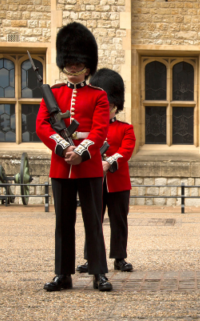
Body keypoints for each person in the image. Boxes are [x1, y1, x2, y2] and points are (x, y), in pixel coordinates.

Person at [36, 22, 112, 292]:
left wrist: (81, 151)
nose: (72, 69)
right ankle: (63, 273)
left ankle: (99, 272)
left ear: (87, 67)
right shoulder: (53, 93)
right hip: (60, 165)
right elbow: (42, 125)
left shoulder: (99, 95)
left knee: (93, 221)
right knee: (63, 222)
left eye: (77, 64)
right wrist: (62, 148)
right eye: (69, 64)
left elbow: (101, 129)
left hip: (88, 165)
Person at [76, 68, 136, 274]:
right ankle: (91, 257)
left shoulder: (126, 128)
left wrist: (109, 162)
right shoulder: (92, 128)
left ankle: (119, 257)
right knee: (93, 220)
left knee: (119, 221)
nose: (108, 108)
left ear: (116, 107)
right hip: (94, 180)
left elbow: (126, 150)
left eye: (111, 106)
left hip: (117, 181)